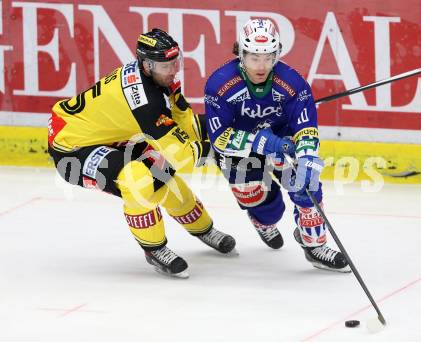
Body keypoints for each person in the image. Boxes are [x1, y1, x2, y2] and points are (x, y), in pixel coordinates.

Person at [48, 28, 236, 279]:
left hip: (113, 139)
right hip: (72, 150)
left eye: (175, 62)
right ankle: (154, 249)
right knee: (137, 179)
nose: (172, 70)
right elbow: (184, 157)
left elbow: (183, 120)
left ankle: (203, 229)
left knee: (165, 177)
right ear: (146, 65)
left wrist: (212, 134)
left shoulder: (159, 77)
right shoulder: (146, 102)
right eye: (165, 65)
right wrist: (218, 147)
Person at [204, 18, 349, 272]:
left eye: (269, 58)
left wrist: (305, 158)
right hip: (241, 153)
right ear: (241, 54)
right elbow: (220, 138)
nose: (262, 66)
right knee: (268, 209)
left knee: (308, 187)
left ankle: (314, 245)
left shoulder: (292, 82)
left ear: (277, 54)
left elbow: (305, 127)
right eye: (254, 58)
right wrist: (264, 141)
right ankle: (263, 222)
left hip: (283, 144)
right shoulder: (220, 84)